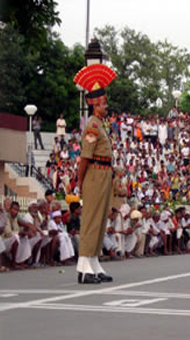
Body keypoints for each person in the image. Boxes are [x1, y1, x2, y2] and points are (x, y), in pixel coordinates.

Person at [75, 63, 117, 284]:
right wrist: (80, 181)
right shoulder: (92, 126)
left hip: (104, 174)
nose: (106, 106)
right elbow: (85, 157)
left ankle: (93, 261)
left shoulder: (100, 125)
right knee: (91, 219)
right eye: (104, 103)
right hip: (94, 174)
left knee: (100, 220)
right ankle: (83, 265)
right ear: (95, 105)